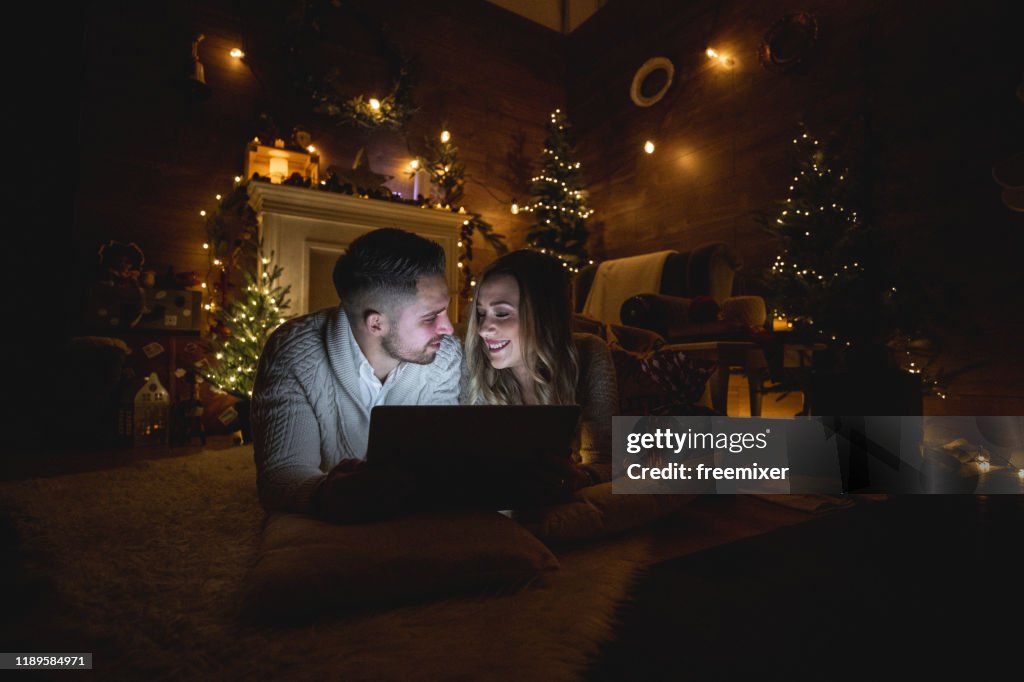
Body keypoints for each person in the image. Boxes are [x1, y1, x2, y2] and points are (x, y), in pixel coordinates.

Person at [252, 228, 462, 523]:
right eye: (431, 317)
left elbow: (442, 459)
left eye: (445, 311)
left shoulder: (446, 354)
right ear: (376, 323)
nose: (449, 329)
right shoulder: (294, 352)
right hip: (332, 521)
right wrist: (331, 492)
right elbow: (281, 476)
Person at [464, 249, 618, 493]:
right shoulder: (469, 367)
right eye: (481, 314)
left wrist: (581, 477)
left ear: (545, 315)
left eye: (502, 313)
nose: (484, 329)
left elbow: (607, 459)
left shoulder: (589, 353)